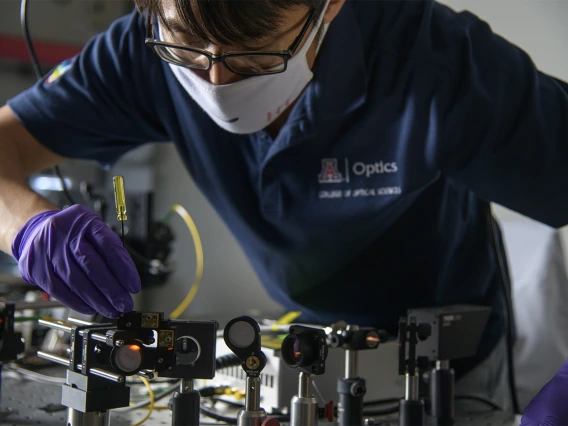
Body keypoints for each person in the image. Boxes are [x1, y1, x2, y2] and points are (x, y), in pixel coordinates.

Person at [0, 0, 566, 419]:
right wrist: (29, 226)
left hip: (450, 371)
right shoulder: (142, 49)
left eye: (255, 56)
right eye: (188, 52)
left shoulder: (436, 64)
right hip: (306, 352)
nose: (216, 81)